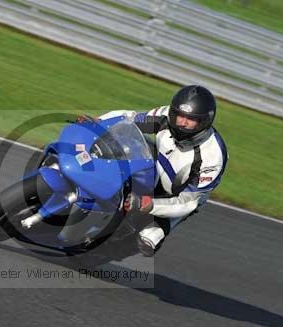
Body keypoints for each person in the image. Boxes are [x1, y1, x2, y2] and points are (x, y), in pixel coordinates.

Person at [97, 85, 228, 257]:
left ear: (204, 121)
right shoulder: (165, 116)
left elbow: (187, 202)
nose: (182, 122)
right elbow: (129, 119)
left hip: (176, 197)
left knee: (148, 240)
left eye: (190, 119)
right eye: (179, 115)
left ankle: (108, 253)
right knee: (121, 147)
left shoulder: (212, 155)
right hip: (152, 171)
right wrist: (98, 123)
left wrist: (148, 204)